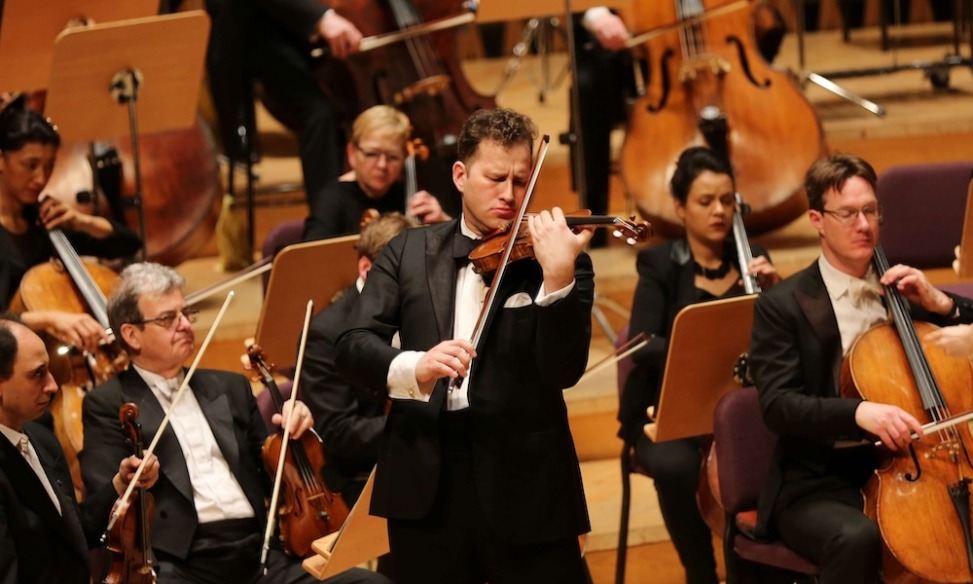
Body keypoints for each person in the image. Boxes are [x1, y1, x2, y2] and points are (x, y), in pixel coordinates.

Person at [335, 107, 595, 583]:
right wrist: (415, 366)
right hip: (426, 484)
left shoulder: (558, 258)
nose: (510, 194)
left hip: (527, 484)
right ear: (460, 175)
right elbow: (352, 345)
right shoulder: (407, 251)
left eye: (521, 181)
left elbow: (564, 370)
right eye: (495, 178)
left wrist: (558, 276)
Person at [78, 263, 389, 584]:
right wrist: (125, 480)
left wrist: (297, 437)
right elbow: (103, 512)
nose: (185, 325)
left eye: (186, 313)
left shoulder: (229, 386)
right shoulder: (108, 403)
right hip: (181, 565)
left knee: (370, 583)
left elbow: (275, 480)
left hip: (258, 555)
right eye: (168, 318)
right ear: (131, 334)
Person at [749, 153, 973, 583]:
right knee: (858, 538)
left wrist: (941, 303)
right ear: (817, 220)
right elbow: (778, 405)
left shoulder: (904, 289)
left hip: (924, 464)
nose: (864, 225)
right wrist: (857, 411)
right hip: (820, 481)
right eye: (848, 213)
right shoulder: (782, 305)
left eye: (871, 210)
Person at [617, 146, 779, 584]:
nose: (719, 211)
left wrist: (776, 293)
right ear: (680, 207)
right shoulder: (659, 264)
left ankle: (756, 567)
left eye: (727, 200)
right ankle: (701, 571)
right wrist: (698, 347)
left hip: (739, 411)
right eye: (706, 201)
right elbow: (641, 344)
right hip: (670, 412)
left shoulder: (753, 258)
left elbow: (781, 340)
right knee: (675, 466)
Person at [0, 315, 159, 584]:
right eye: (37, 373)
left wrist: (121, 484)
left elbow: (73, 533)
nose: (52, 385)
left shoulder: (42, 439)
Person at [0, 104, 141, 353]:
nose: (41, 178)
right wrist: (50, 319)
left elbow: (128, 243)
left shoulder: (42, 220)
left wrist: (81, 221)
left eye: (49, 166)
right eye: (30, 165)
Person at [301, 212, 415, 506]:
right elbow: (338, 431)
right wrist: (418, 424)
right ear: (366, 268)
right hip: (363, 475)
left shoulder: (419, 308)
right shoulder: (326, 332)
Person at [204, 0, 363, 203]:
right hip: (258, 26)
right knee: (320, 112)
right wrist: (321, 18)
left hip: (300, 29)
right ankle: (328, 215)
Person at [303, 105, 447, 242]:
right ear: (352, 153)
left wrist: (443, 222)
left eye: (393, 157)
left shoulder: (410, 193)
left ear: (404, 157)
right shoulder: (332, 199)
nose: (382, 165)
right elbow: (312, 254)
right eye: (371, 154)